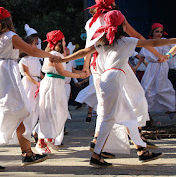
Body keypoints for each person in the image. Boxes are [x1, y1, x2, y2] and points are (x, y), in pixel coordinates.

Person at [55, 10, 170, 167]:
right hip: (113, 80)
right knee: (108, 118)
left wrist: (65, 58)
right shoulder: (126, 41)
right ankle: (96, 155)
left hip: (107, 79)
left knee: (129, 115)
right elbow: (153, 43)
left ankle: (142, 151)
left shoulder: (103, 40)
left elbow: (83, 52)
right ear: (123, 24)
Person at [0, 6, 58, 171]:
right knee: (14, 112)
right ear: (8, 21)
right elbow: (31, 50)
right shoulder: (10, 36)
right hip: (6, 78)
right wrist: (50, 55)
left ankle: (27, 153)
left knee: (14, 113)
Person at [83, 0, 162, 156]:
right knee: (136, 97)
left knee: (107, 106)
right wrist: (159, 54)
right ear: (112, 4)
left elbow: (87, 48)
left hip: (96, 65)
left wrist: (85, 68)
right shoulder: (115, 17)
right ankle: (137, 138)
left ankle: (99, 141)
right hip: (114, 64)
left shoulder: (90, 22)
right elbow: (139, 37)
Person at [36, 30, 87, 154]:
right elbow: (62, 72)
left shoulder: (58, 55)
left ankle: (48, 138)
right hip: (52, 84)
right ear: (60, 41)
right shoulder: (54, 55)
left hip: (57, 84)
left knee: (59, 112)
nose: (65, 42)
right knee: (50, 111)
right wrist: (80, 75)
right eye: (63, 40)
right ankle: (41, 142)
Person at [137, 23, 176, 118]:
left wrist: (168, 56)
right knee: (147, 87)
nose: (159, 34)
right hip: (151, 67)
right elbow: (142, 56)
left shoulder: (165, 41)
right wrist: (136, 66)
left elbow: (173, 49)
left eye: (161, 32)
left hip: (162, 66)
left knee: (162, 87)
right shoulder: (148, 42)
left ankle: (171, 108)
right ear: (152, 32)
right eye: (157, 31)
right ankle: (146, 110)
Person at [18, 36, 43, 144]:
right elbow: (28, 75)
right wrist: (37, 83)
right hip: (29, 85)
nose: (36, 46)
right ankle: (25, 132)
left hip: (37, 84)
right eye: (34, 44)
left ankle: (33, 130)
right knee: (29, 109)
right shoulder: (24, 60)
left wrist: (45, 81)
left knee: (37, 110)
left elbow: (39, 73)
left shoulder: (36, 59)